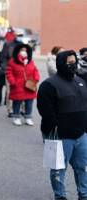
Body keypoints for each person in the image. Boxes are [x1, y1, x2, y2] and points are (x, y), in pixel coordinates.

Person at [37, 50, 87, 200]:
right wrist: (58, 129)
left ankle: (84, 195)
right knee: (58, 170)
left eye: (74, 62)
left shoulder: (80, 81)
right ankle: (60, 196)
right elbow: (45, 111)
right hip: (60, 136)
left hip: (81, 135)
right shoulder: (49, 84)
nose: (73, 65)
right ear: (61, 64)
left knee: (83, 168)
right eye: (69, 63)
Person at [6, 43, 40, 126]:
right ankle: (16, 117)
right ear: (18, 51)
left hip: (29, 85)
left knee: (29, 103)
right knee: (17, 102)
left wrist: (36, 78)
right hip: (17, 86)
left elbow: (35, 70)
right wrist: (12, 81)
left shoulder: (30, 61)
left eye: (25, 50)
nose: (24, 52)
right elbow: (9, 72)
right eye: (22, 50)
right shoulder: (12, 61)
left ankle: (28, 118)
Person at [1, 36, 22, 117]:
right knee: (9, 91)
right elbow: (3, 57)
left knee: (21, 91)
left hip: (21, 72)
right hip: (10, 71)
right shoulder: (8, 44)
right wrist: (6, 68)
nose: (20, 37)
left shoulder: (23, 46)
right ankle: (10, 110)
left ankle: (20, 109)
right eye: (19, 35)